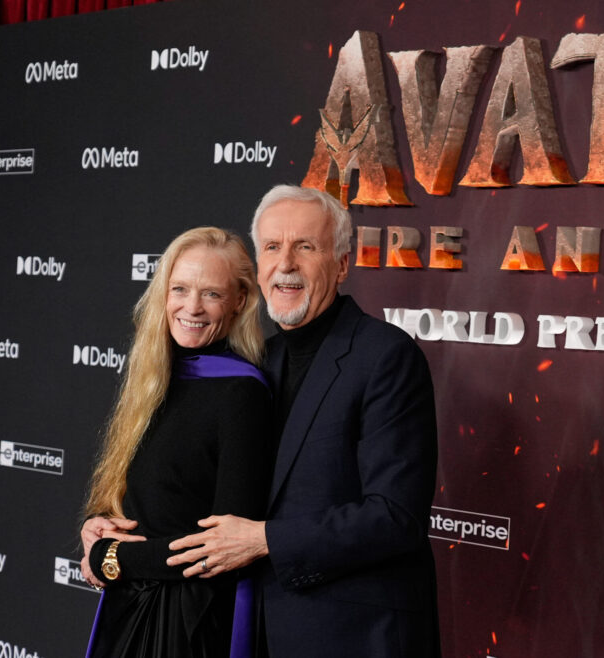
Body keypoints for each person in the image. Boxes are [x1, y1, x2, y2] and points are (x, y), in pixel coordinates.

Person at [165, 185, 441, 657]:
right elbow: (189, 480)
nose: (286, 264)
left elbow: (396, 517)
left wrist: (264, 539)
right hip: (256, 630)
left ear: (342, 265)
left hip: (357, 638)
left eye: (305, 247)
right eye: (273, 247)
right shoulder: (255, 364)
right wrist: (110, 528)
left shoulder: (386, 356)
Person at [79, 227, 270, 657]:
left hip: (189, 619)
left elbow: (223, 549)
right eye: (179, 289)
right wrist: (99, 527)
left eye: (211, 294)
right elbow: (150, 500)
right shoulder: (154, 376)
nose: (192, 307)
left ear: (240, 300)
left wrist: (112, 559)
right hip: (131, 602)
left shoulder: (241, 392)